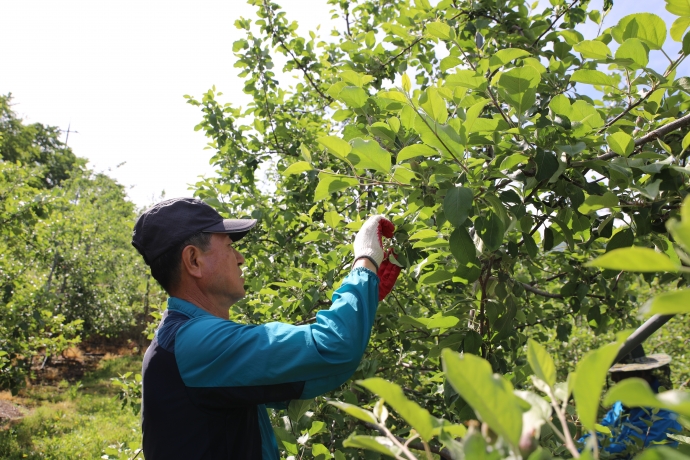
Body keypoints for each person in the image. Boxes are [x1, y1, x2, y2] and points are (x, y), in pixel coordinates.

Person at [131, 197, 401, 459]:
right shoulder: (195, 344)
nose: (240, 258)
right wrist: (365, 261)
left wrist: (365, 295)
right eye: (228, 247)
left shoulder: (181, 337)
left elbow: (288, 378)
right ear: (193, 261)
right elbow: (333, 346)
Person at [579, 346, 682, 457]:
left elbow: (628, 452)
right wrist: (577, 446)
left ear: (640, 374)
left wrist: (585, 453)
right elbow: (601, 431)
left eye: (619, 376)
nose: (615, 381)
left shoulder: (664, 413)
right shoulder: (621, 404)